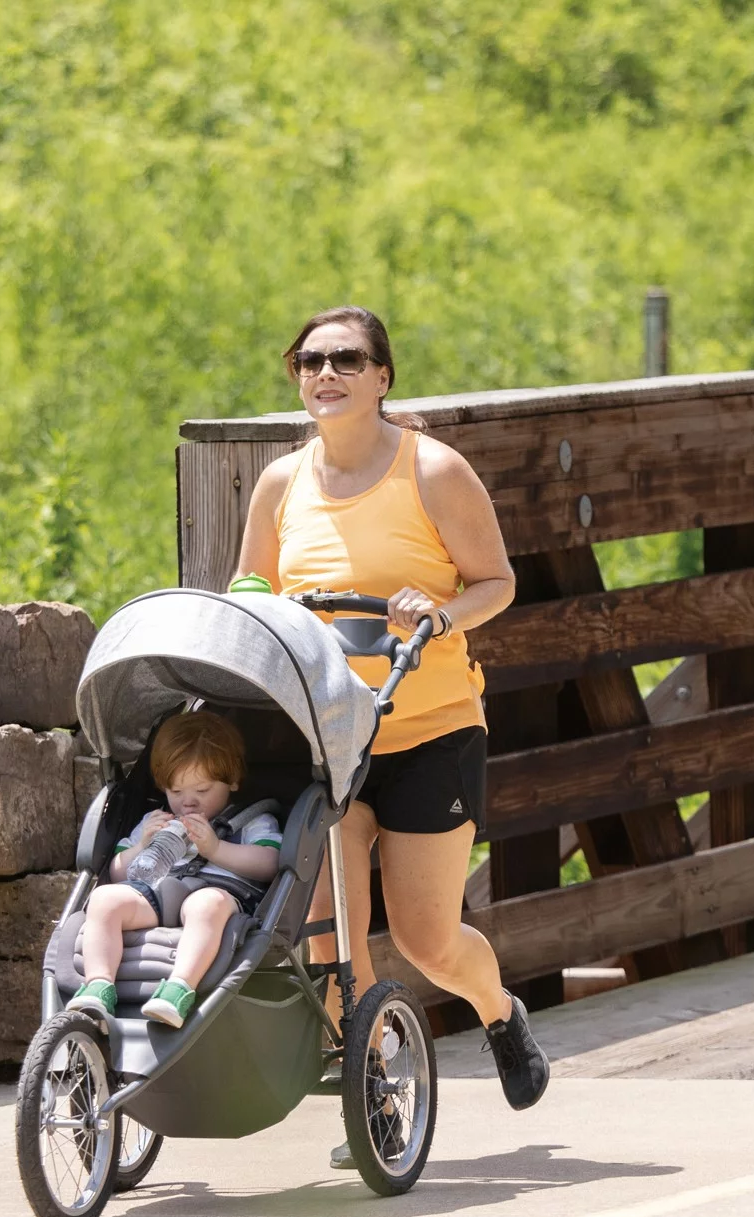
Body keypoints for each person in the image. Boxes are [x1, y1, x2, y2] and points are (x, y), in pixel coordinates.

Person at [234, 304, 550, 1168]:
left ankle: (497, 1013)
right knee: (333, 942)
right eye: (308, 361)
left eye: (345, 360)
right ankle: (373, 1095)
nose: (324, 374)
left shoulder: (434, 470)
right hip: (327, 738)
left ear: (381, 378)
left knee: (424, 939)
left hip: (427, 728)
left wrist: (439, 614)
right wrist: (257, 600)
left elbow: (496, 583)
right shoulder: (278, 484)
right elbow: (251, 579)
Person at [68, 712, 281, 1029]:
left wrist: (216, 849)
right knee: (104, 900)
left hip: (217, 894)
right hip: (157, 893)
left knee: (206, 905)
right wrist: (142, 846)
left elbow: (269, 863)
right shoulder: (157, 821)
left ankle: (179, 988)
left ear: (232, 781)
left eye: (202, 791)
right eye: (176, 792)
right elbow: (115, 871)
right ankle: (99, 985)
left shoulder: (251, 819)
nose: (188, 804)